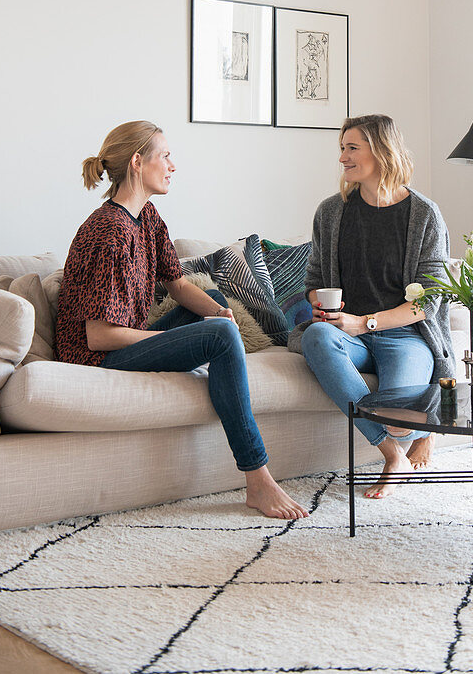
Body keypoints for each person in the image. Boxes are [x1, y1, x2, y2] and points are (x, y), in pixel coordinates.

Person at [55, 120, 308, 521]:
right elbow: (99, 336)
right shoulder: (109, 231)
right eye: (166, 156)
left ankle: (220, 351)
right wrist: (209, 334)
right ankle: (258, 478)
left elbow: (177, 284)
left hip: (123, 340)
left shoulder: (146, 216)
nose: (173, 165)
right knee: (220, 337)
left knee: (212, 303)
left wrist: (219, 315)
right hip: (95, 357)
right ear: (138, 162)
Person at [293, 114, 454, 498]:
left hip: (404, 336)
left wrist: (363, 322)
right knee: (316, 336)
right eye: (342, 149)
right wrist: (320, 305)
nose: (342, 158)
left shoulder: (424, 215)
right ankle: (390, 453)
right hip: (348, 337)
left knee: (403, 421)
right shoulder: (331, 212)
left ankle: (418, 434)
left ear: (381, 152)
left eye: (352, 148)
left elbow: (428, 302)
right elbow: (314, 283)